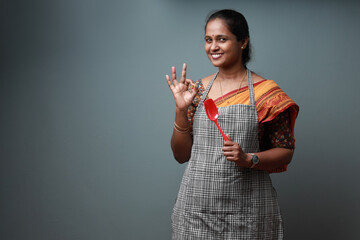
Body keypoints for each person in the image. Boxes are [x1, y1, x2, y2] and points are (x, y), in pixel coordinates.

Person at [165, 9, 299, 239]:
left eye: (222, 39)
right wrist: (181, 109)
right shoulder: (196, 92)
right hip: (197, 209)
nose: (213, 46)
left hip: (248, 211)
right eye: (208, 40)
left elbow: (285, 151)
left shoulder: (265, 92)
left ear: (243, 42)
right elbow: (181, 155)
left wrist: (249, 159)